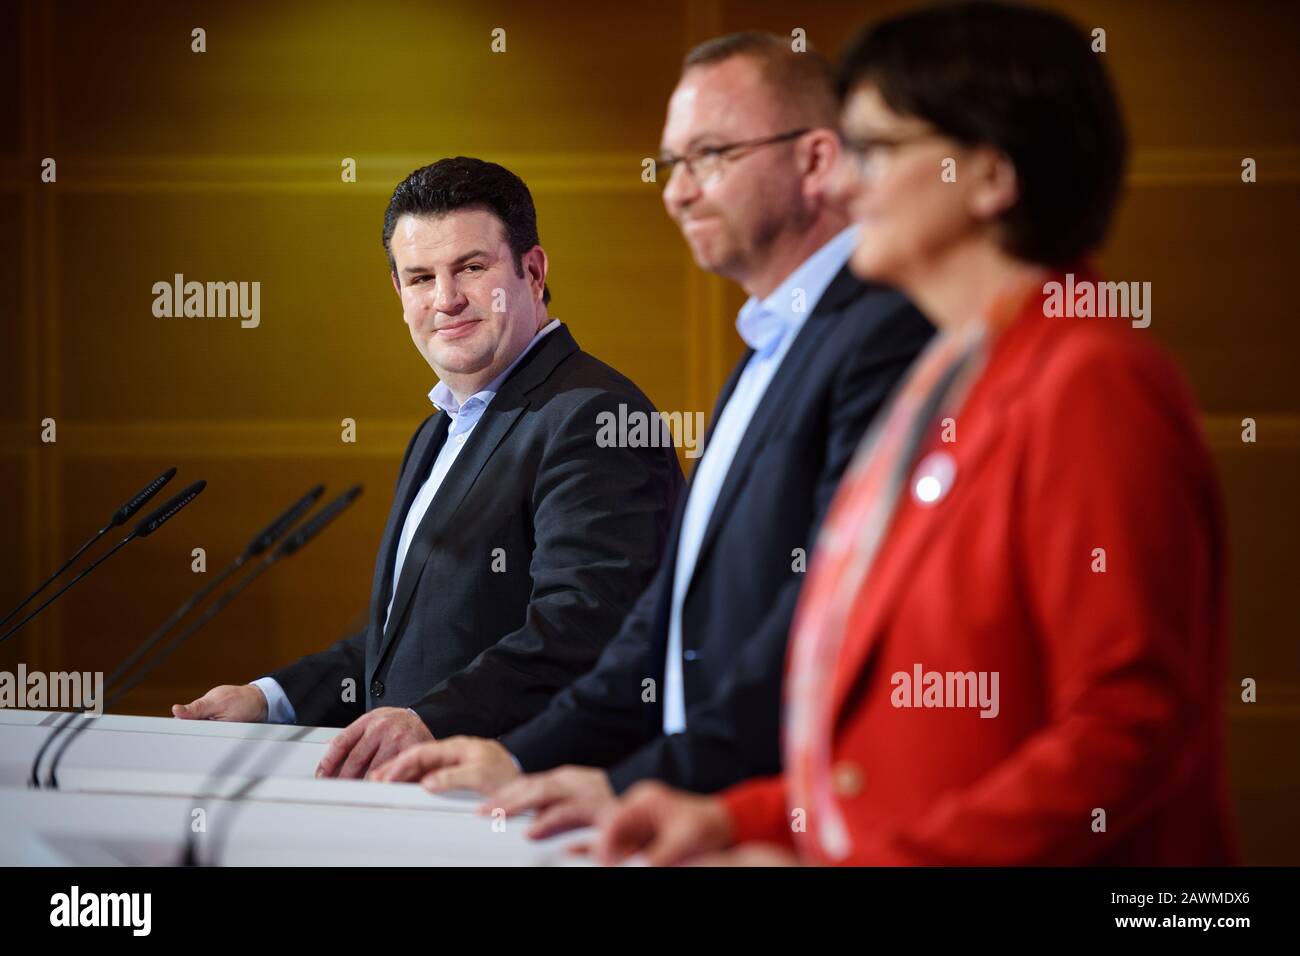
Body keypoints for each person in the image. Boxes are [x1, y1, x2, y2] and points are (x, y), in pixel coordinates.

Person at [595, 0, 1237, 867]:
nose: (845, 184)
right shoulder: (948, 380)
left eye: (876, 150)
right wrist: (737, 819)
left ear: (990, 175)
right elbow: (890, 751)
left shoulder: (1092, 378)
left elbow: (1128, 728)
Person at [372, 34, 932, 839]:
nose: (677, 193)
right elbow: (665, 619)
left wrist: (640, 779)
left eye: (709, 155)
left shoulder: (881, 333)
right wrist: (533, 758)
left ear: (815, 161)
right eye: (673, 164)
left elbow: (821, 619)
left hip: (779, 819)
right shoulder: (767, 347)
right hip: (697, 807)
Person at [174, 157, 683, 782]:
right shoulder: (440, 429)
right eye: (420, 277)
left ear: (533, 269)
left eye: (471, 267)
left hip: (527, 809)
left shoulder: (592, 415)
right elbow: (403, 644)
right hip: (425, 808)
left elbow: (587, 630)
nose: (446, 300)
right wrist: (270, 698)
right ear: (399, 292)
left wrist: (429, 720)